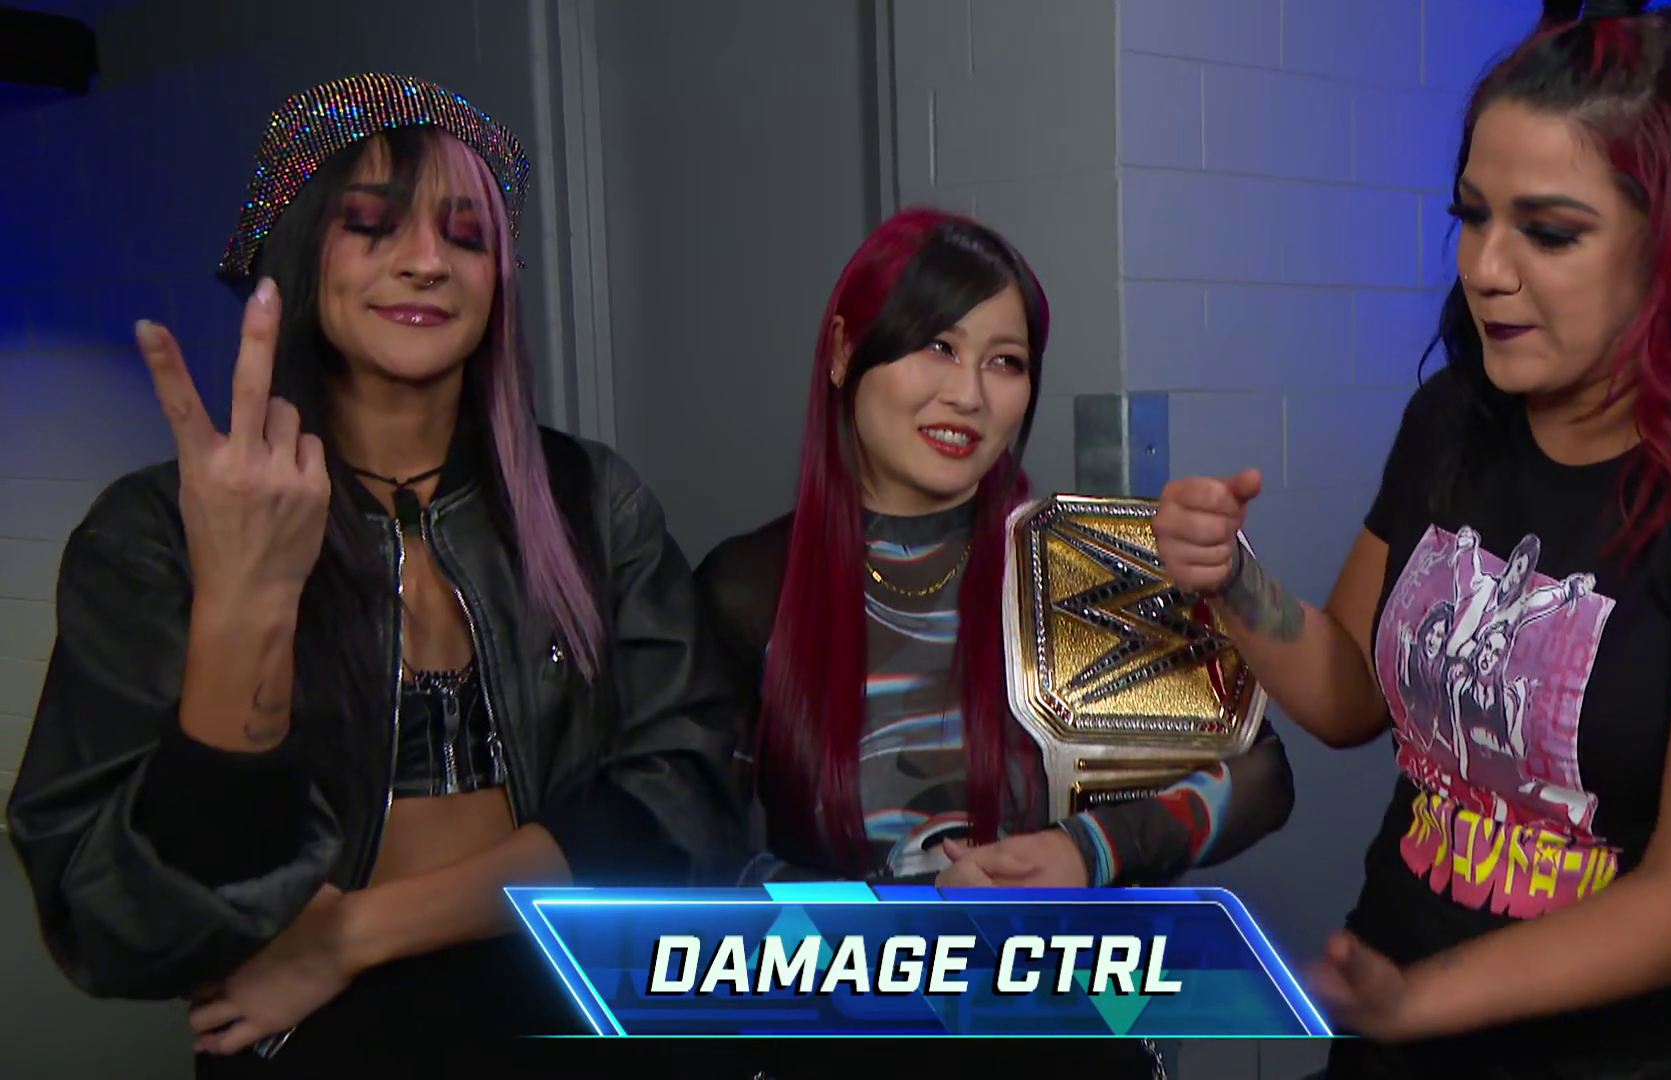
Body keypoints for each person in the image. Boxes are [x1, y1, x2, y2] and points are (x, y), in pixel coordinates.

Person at [1152, 1, 1671, 1076]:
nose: (1484, 267)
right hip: (1404, 1023)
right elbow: (1350, 697)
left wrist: (1427, 999)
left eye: (1548, 232)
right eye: (1472, 216)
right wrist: (1233, 578)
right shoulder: (1454, 421)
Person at [5, 74, 741, 1072]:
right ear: (303, 255)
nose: (427, 261)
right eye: (372, 225)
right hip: (320, 1042)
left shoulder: (592, 502)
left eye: (465, 234)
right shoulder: (157, 532)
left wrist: (352, 936)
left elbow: (684, 800)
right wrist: (247, 604)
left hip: (574, 1007)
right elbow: (112, 922)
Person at [691, 206, 1298, 1078]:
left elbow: (1262, 776)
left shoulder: (1080, 569)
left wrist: (1086, 851)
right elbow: (690, 864)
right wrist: (897, 912)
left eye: (1004, 362)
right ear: (843, 352)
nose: (968, 396)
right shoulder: (749, 590)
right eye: (937, 345)